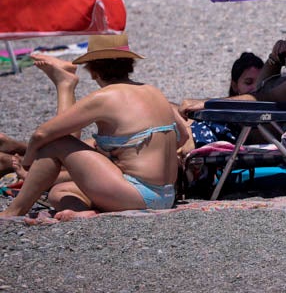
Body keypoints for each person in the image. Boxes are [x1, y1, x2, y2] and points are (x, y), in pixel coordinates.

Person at [1, 34, 191, 220]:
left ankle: (14, 211)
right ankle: (84, 212)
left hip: (137, 194)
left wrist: (28, 161)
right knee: (60, 192)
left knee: (56, 142)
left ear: (92, 70)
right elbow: (183, 136)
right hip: (167, 194)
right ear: (129, 65)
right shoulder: (153, 91)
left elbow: (44, 134)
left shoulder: (105, 97)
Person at [178, 15, 286, 116]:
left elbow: (259, 97)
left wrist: (208, 104)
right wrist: (274, 59)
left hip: (240, 133)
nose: (285, 47)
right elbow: (260, 86)